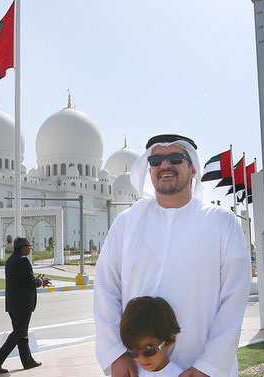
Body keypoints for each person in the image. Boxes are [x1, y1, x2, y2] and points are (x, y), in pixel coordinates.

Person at [94, 134, 251, 377]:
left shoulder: (221, 222)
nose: (165, 165)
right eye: (156, 161)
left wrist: (209, 366)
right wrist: (114, 354)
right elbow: (106, 291)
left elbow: (235, 297)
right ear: (149, 170)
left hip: (202, 369)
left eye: (176, 158)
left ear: (192, 170)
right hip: (139, 369)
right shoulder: (127, 222)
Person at [0, 237, 50, 373]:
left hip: (13, 303)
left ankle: (28, 361)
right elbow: (29, 281)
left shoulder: (11, 260)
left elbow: (22, 280)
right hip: (22, 304)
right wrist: (40, 281)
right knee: (19, 332)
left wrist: (36, 280)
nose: (30, 248)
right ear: (22, 248)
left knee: (21, 333)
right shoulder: (22, 260)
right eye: (28, 246)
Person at [119, 296, 184, 377]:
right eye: (134, 352)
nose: (142, 359)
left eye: (149, 349)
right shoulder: (127, 373)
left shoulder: (178, 375)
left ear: (169, 341)